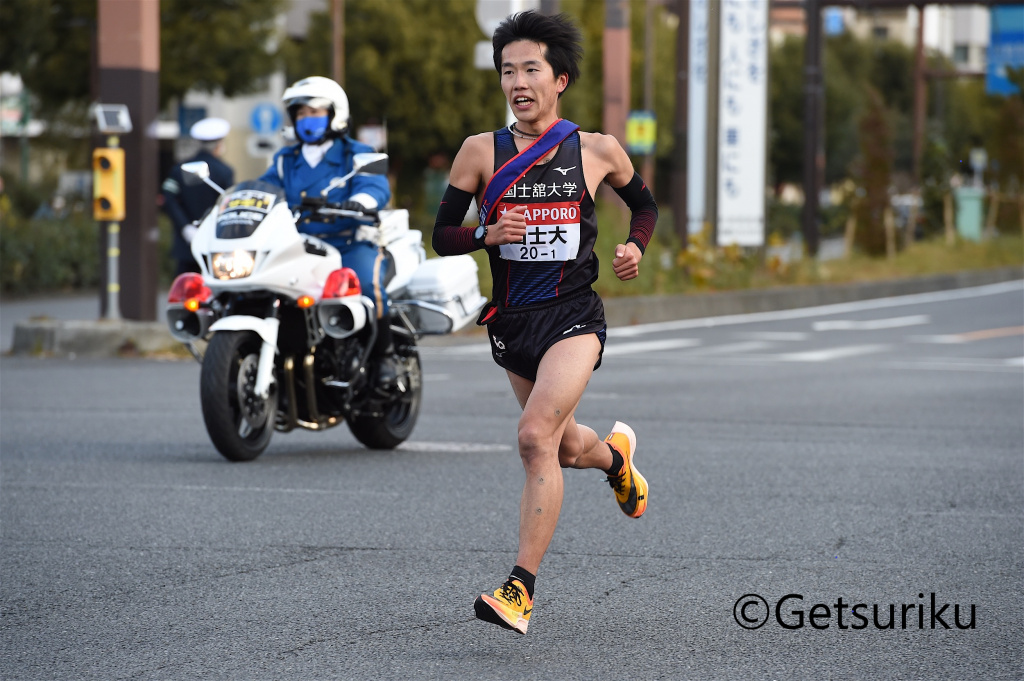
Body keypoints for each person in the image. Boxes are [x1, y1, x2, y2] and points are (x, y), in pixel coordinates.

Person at [432, 11, 658, 635]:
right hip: (513, 323)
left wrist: (635, 246)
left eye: (531, 69)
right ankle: (615, 460)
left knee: (534, 437)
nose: (518, 82)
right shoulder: (480, 152)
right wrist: (483, 233)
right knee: (559, 444)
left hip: (573, 317)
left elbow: (644, 205)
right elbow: (441, 235)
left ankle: (519, 590)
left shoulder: (594, 150)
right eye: (508, 71)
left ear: (560, 79)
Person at [258, 76, 397, 384]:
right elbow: (263, 190)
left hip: (349, 243)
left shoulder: (357, 152)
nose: (308, 120)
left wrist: (359, 202)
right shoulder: (285, 160)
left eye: (315, 112)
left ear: (335, 114)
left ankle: (384, 357)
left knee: (365, 284)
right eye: (301, 114)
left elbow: (374, 185)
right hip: (299, 248)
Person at [161, 117, 235, 276]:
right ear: (219, 145)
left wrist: (185, 227)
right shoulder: (225, 171)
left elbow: (169, 199)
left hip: (185, 245)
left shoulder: (179, 168)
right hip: (215, 244)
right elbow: (227, 203)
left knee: (184, 291)